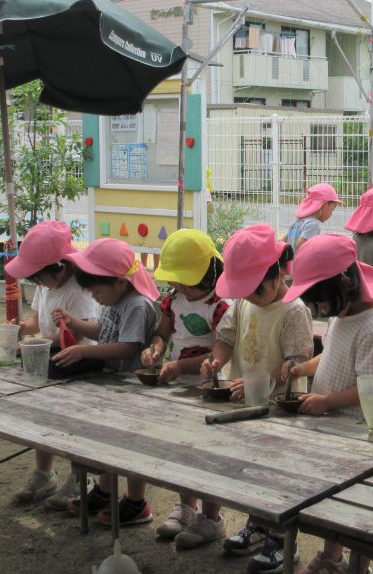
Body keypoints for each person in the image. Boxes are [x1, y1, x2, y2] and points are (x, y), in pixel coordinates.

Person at [201, 224, 314, 574]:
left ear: (279, 273)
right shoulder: (242, 302)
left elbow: (297, 361)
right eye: (244, 290)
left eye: (256, 289)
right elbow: (226, 336)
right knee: (251, 471)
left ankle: (282, 539)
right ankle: (258, 524)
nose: (249, 296)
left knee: (279, 475)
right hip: (247, 405)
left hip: (281, 409)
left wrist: (268, 379)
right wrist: (217, 360)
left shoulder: (294, 310)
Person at [282, 234, 373, 574]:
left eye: (321, 302)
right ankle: (331, 557)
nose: (319, 310)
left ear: (345, 285)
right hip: (333, 425)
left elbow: (371, 388)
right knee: (331, 498)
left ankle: (357, 565)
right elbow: (331, 355)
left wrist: (329, 401)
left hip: (357, 430)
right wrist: (305, 367)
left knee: (352, 502)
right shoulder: (342, 315)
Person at [52, 237, 160, 526]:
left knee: (132, 445)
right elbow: (103, 329)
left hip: (135, 390)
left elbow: (127, 347)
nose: (96, 298)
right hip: (115, 385)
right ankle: (105, 491)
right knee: (107, 441)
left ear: (120, 282)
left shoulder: (136, 304)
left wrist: (84, 350)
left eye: (97, 292)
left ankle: (137, 502)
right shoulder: (114, 300)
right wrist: (75, 324)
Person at [137, 229, 231, 547]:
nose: (176, 284)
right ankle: (186, 507)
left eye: (182, 278)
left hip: (209, 386)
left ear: (204, 276)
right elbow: (162, 333)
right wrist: (156, 350)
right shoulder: (173, 299)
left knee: (207, 452)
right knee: (182, 448)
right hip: (178, 387)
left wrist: (181, 367)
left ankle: (212, 516)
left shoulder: (219, 305)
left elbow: (219, 351)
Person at [7, 221, 99, 509]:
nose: (38, 284)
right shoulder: (46, 285)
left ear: (59, 267)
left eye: (40, 279)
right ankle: (44, 473)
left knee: (74, 424)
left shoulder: (79, 289)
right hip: (50, 361)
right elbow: (37, 318)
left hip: (79, 366)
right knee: (41, 417)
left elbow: (76, 334)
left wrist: (35, 344)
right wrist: (21, 329)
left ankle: (79, 478)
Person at [284, 183, 342, 252]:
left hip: (291, 262)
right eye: (332, 209)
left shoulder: (297, 222)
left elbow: (284, 241)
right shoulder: (312, 224)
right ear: (325, 205)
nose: (331, 213)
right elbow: (301, 245)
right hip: (303, 262)